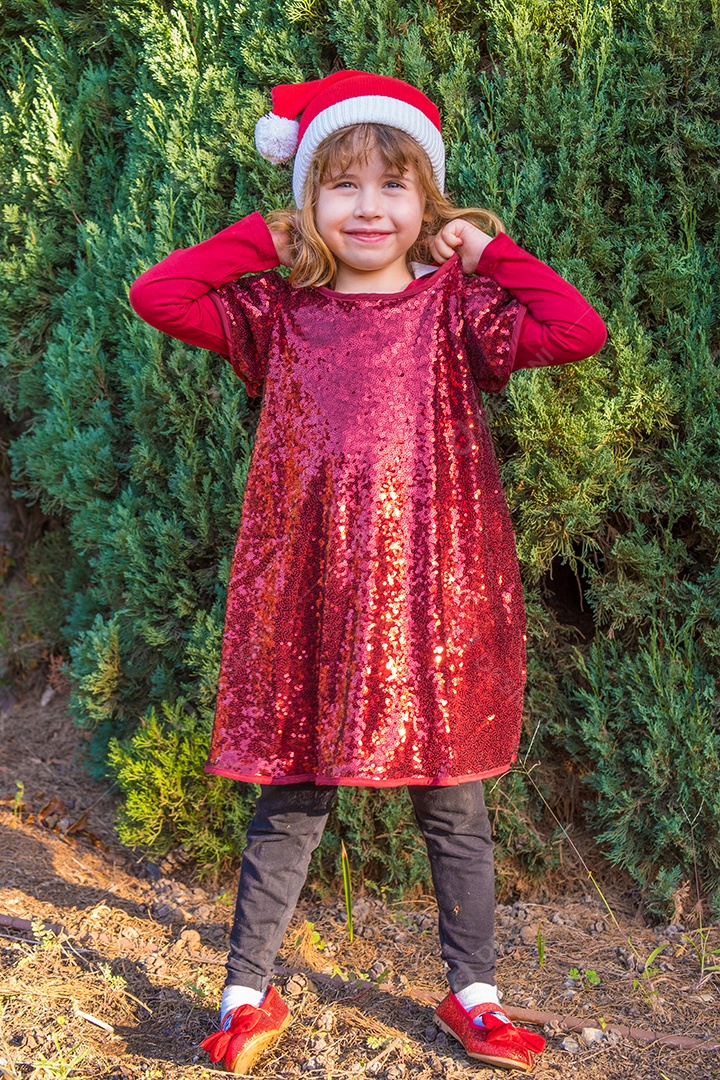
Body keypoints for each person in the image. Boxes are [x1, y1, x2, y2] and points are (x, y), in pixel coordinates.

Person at [129, 70, 607, 1074]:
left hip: (435, 595)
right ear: (310, 199)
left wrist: (487, 250)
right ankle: (245, 994)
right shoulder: (275, 310)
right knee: (291, 802)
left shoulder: (458, 309)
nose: (369, 207)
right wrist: (266, 239)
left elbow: (577, 330)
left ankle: (474, 992)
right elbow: (158, 293)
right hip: (311, 596)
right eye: (340, 184)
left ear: (426, 202)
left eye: (394, 186)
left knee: (455, 805)